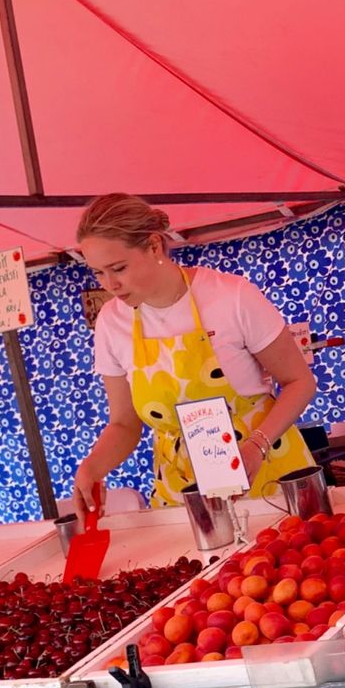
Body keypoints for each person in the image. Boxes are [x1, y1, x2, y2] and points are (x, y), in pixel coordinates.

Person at [73, 194, 317, 520]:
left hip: (267, 472)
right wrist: (91, 468)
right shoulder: (110, 322)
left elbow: (300, 382)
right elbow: (123, 423)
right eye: (98, 273)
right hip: (183, 494)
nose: (110, 284)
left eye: (118, 268)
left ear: (155, 246)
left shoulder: (231, 296)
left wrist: (256, 446)